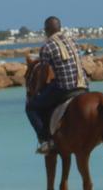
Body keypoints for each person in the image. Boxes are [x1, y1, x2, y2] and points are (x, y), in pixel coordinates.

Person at [25, 16, 89, 154]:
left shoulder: (47, 46)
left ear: (47, 30)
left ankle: (46, 140)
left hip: (65, 89)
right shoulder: (73, 42)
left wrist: (37, 91)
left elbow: (43, 73)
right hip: (84, 86)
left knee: (31, 107)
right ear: (59, 28)